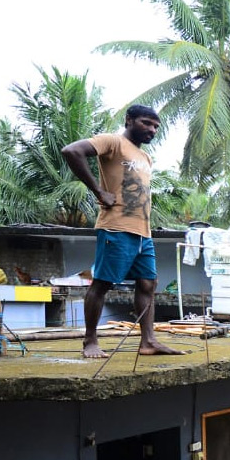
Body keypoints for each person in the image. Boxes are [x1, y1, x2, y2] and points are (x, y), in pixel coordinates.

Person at [62, 105, 185, 359]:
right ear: (129, 120)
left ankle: (149, 341)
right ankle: (90, 341)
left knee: (148, 283)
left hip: (143, 233)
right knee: (103, 283)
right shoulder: (113, 142)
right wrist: (98, 191)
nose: (152, 129)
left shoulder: (145, 157)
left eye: (155, 126)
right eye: (146, 123)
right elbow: (72, 151)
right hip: (116, 227)